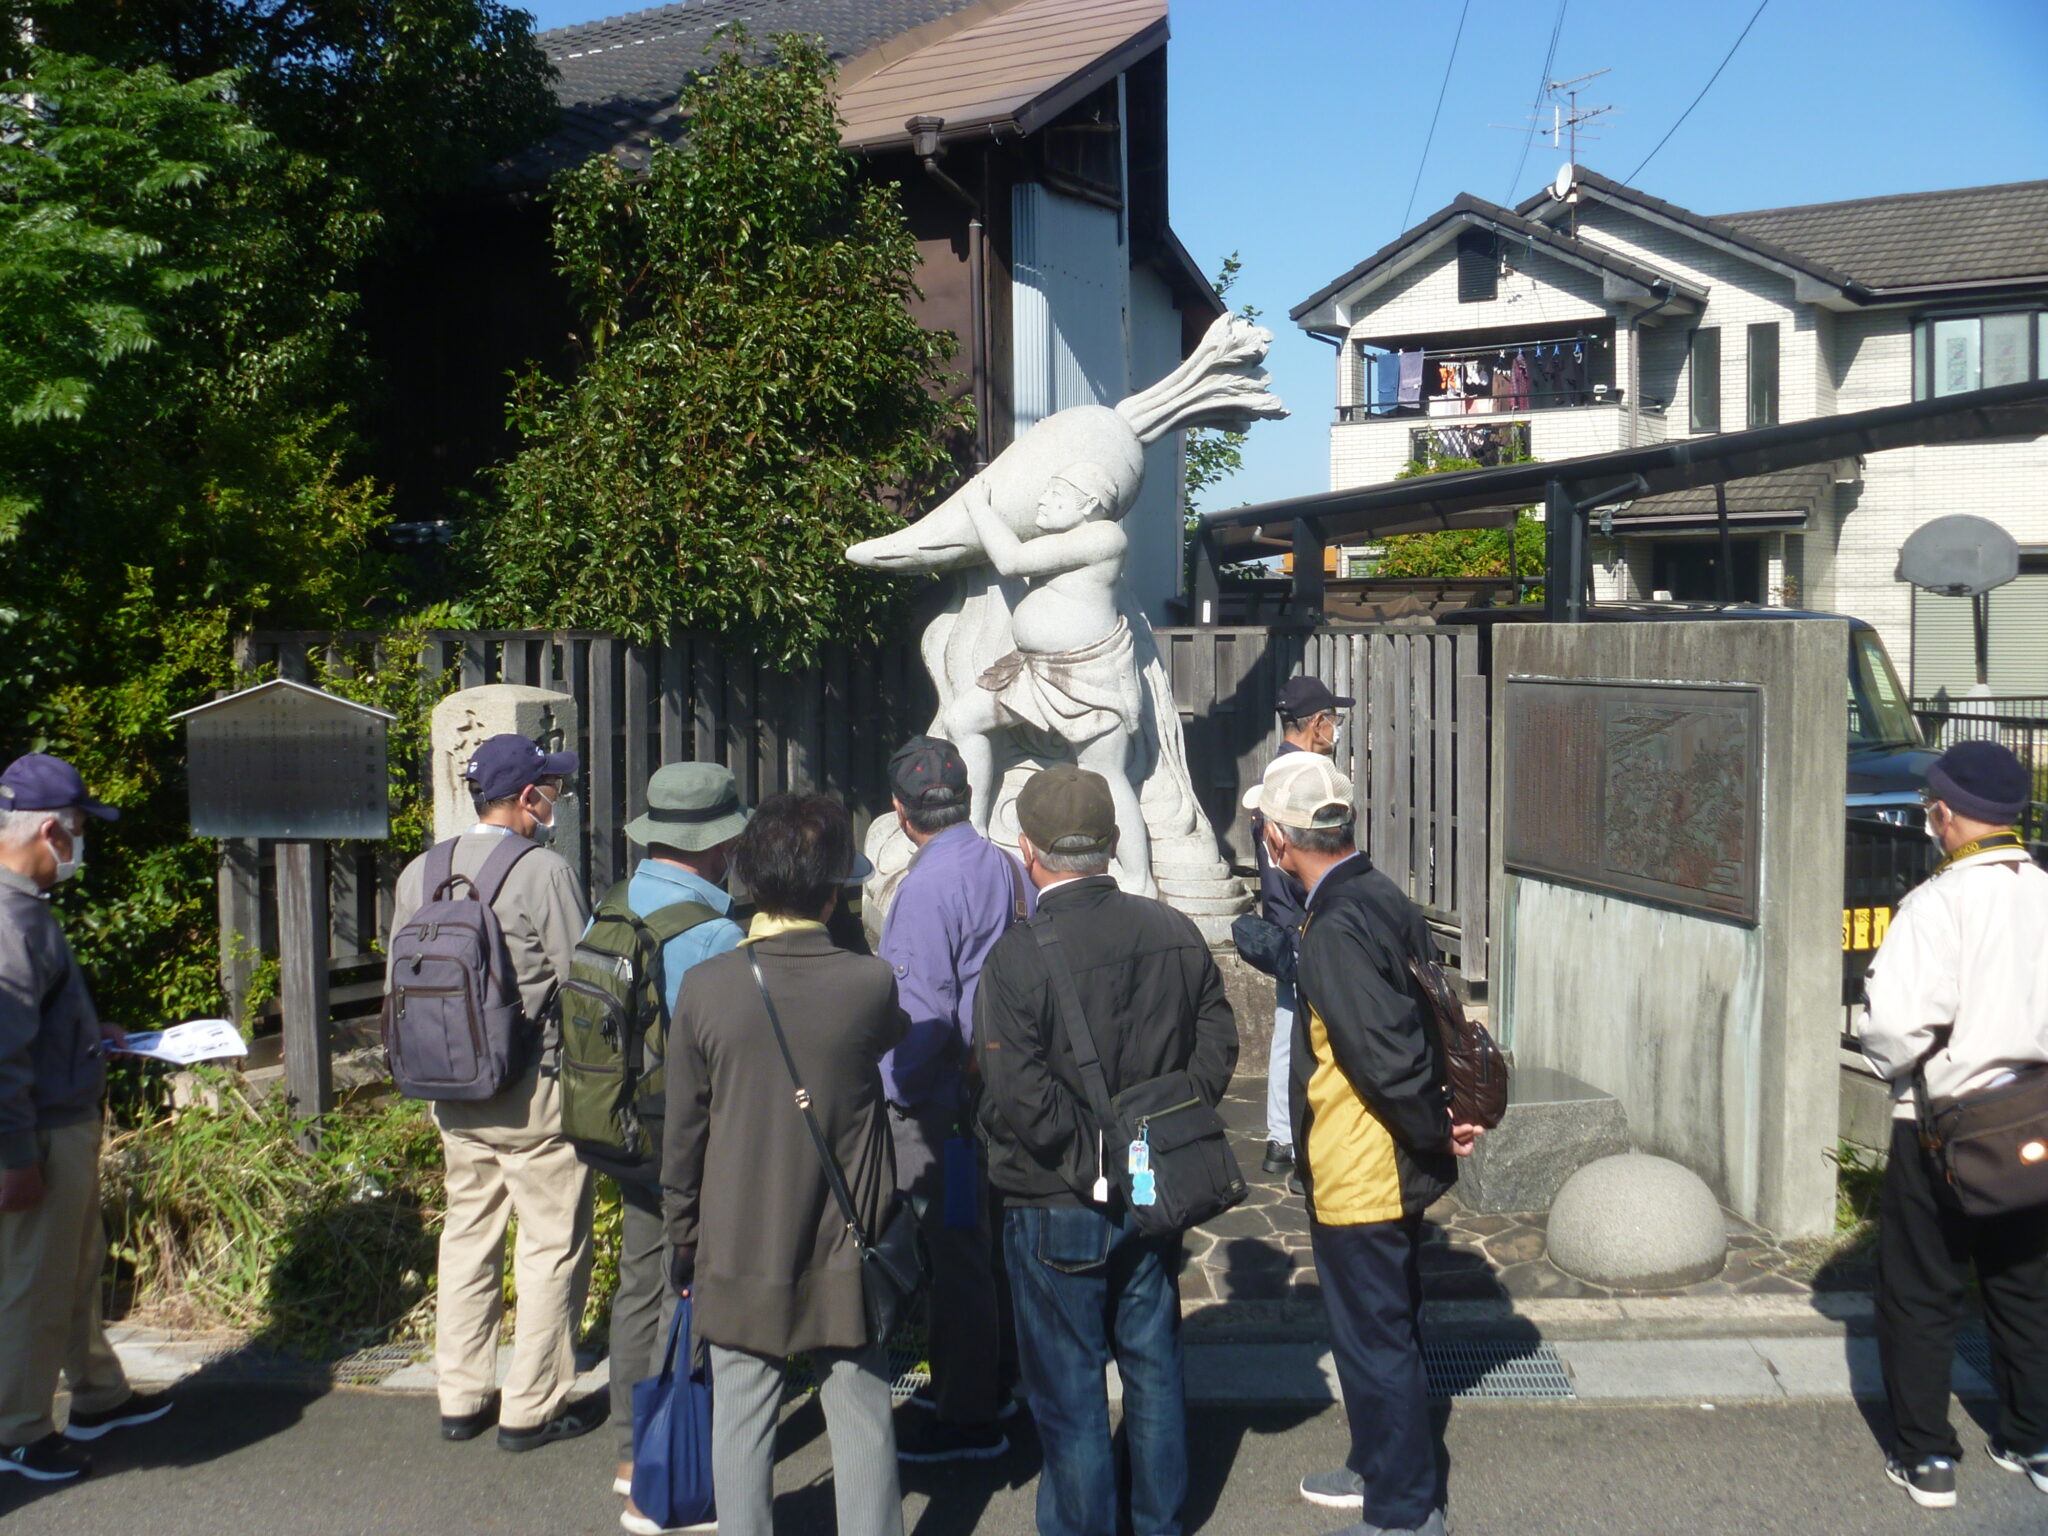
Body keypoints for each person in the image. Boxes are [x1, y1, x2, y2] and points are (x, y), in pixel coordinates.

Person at [975, 764, 1237, 1536]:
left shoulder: (1015, 957)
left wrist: (1095, 1161)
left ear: (1028, 849)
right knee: (1153, 1365)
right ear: (1116, 841)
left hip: (1057, 1195)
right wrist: (1159, 1131)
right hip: (1154, 1183)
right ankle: (1158, 1521)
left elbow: (1020, 1092)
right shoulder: (1173, 930)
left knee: (1070, 1392)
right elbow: (1218, 1038)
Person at [663, 793, 907, 1536]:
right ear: (832, 892)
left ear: (749, 879)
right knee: (861, 1414)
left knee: (740, 1419)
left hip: (737, 1238)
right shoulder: (869, 983)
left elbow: (684, 1135)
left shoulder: (706, 988)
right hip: (846, 1234)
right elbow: (886, 1041)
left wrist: (683, 1235)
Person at [1254, 752, 1477, 1536]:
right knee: (1381, 1328)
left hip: (1363, 1163)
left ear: (1279, 840)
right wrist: (1437, 1124)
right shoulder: (1380, 893)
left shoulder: (1333, 928)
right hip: (1386, 1156)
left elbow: (1385, 1056)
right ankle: (1378, 1463)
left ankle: (1405, 1509)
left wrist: (1435, 1128)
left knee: (1376, 1337)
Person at [388, 733, 602, 1453]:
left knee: (467, 1234)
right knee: (549, 1244)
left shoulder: (420, 871)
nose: (556, 799)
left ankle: (461, 1394)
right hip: (532, 1089)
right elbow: (584, 979)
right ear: (527, 796)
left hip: (450, 1087)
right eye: (551, 788)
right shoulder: (543, 871)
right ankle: (530, 1406)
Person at [1859, 739, 2048, 1510]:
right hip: (2034, 1118)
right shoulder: (2044, 892)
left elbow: (1893, 1027)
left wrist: (1894, 1064)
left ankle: (1927, 1457)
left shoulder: (1936, 904)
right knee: (2026, 1281)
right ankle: (2034, 1438)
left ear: (1945, 814)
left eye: (1931, 807)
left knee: (1921, 1286)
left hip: (1941, 1121)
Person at [0, 755, 173, 1483]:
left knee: (74, 1267)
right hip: (39, 1131)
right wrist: (15, 1157)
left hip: (59, 1118)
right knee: (35, 1282)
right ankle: (18, 1430)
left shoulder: (26, 907)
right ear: (49, 831)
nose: (79, 847)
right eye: (77, 830)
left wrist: (88, 1033)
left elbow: (32, 1021)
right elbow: (2, 1052)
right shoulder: (9, 918)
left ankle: (98, 1394)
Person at [598, 763, 749, 1533]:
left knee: (638, 1282)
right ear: (717, 845)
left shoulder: (613, 907)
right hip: (689, 1140)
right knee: (684, 1289)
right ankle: (671, 1465)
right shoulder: (714, 932)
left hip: (618, 1128)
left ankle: (630, 1453)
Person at [874, 735, 1029, 1464]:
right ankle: (996, 1378)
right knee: (989, 1245)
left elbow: (918, 1016)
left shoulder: (925, 888)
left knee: (956, 1249)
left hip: (947, 1103)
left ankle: (969, 1416)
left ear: (900, 811)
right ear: (966, 796)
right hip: (999, 1087)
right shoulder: (1005, 866)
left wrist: (893, 1099)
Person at [941, 465, 1155, 895]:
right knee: (962, 720)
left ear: (1089, 504)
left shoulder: (1103, 536)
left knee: (1106, 773)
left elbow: (1010, 560)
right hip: (1031, 668)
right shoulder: (1062, 540)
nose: (1043, 499)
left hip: (1088, 673)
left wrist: (976, 504)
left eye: (1056, 493)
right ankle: (976, 831)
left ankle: (1139, 880)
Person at [1249, 675, 1353, 1187]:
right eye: (1332, 719)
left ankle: (1280, 1139)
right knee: (1312, 1037)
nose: (1335, 729)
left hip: (1287, 920)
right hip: (1309, 921)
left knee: (1288, 1030)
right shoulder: (1308, 776)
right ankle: (1299, 1138)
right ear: (1315, 722)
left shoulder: (1273, 772)